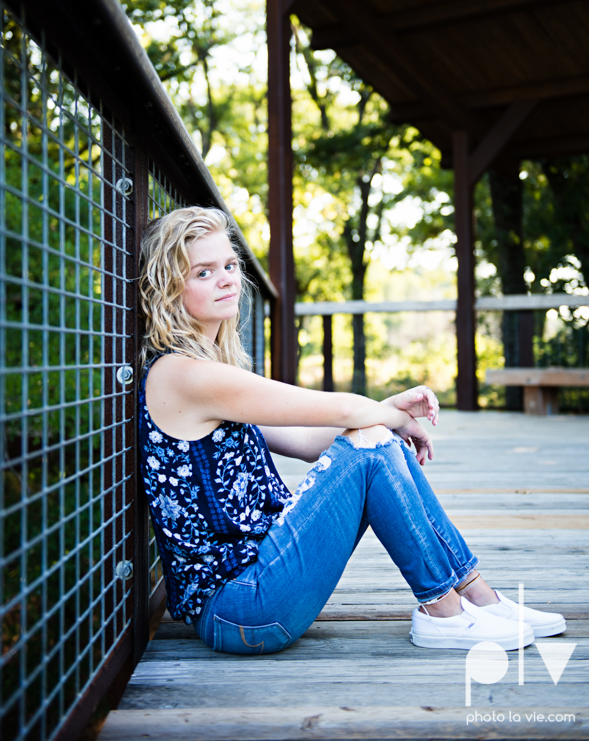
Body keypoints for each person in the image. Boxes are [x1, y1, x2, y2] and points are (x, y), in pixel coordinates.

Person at [137, 205, 566, 655]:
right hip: (242, 608)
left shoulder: (205, 369)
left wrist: (383, 419)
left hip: (261, 584)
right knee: (372, 439)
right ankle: (443, 610)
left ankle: (478, 596)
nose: (227, 279)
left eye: (229, 265)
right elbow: (336, 409)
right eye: (204, 272)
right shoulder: (183, 376)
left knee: (374, 441)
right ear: (169, 289)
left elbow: (304, 442)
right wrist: (391, 417)